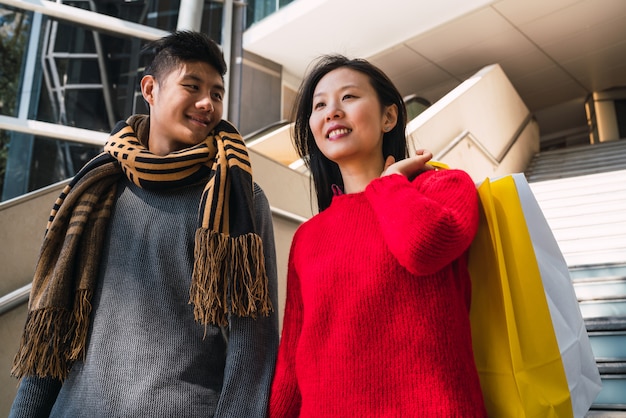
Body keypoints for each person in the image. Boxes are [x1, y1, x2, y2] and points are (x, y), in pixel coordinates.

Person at [9, 30, 279, 417]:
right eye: (192, 86)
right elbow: (54, 332)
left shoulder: (237, 198)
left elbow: (254, 343)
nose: (207, 103)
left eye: (217, 93)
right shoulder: (95, 189)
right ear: (150, 89)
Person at [268, 55, 487, 417]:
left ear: (389, 116)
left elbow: (421, 249)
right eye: (319, 104)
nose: (332, 111)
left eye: (348, 97)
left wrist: (389, 187)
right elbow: (292, 363)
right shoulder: (308, 237)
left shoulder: (443, 187)